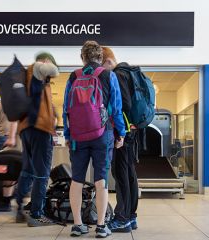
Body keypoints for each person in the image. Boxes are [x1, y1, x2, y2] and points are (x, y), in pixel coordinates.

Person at [63, 41, 126, 238]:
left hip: (77, 136)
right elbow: (116, 108)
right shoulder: (109, 75)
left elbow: (66, 109)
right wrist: (121, 133)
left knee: (77, 180)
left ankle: (78, 225)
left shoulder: (73, 76)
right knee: (101, 180)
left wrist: (67, 134)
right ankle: (100, 226)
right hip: (103, 134)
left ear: (83, 58)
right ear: (100, 57)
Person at [10, 52, 59, 227]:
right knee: (42, 173)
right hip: (39, 129)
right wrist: (47, 64)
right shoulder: (37, 68)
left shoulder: (28, 77)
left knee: (28, 170)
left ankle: (19, 208)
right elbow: (54, 70)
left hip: (27, 128)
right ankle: (37, 214)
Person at [102, 46, 139, 232]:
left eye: (103, 66)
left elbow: (124, 103)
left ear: (108, 61)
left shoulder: (117, 74)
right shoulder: (128, 72)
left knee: (121, 173)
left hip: (122, 132)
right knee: (129, 173)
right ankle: (131, 216)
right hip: (131, 130)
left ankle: (122, 217)